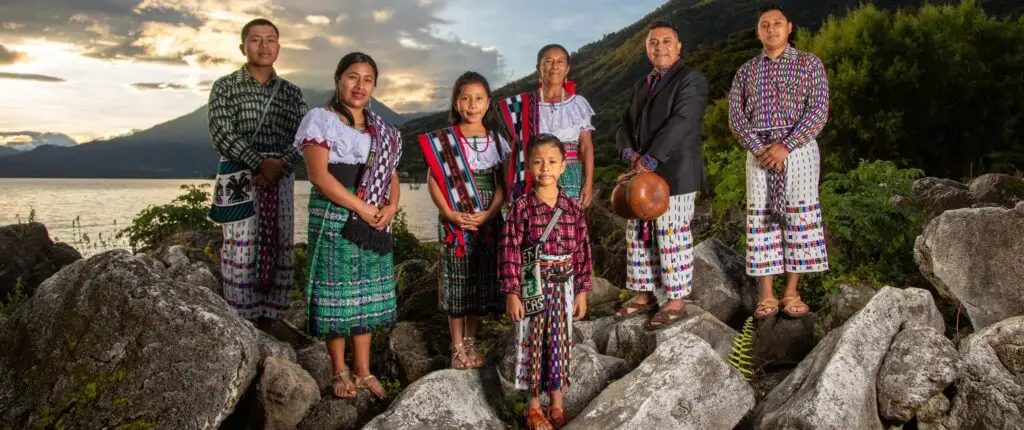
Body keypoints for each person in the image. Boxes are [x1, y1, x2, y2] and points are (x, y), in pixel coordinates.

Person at [297, 52, 403, 400]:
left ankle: (364, 371)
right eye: (352, 77)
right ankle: (339, 371)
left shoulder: (380, 129)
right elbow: (318, 176)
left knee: (365, 294)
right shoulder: (321, 119)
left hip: (373, 218)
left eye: (368, 79)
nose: (360, 86)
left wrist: (391, 206)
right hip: (334, 212)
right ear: (338, 80)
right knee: (337, 292)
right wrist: (362, 206)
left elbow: (391, 175)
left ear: (374, 85)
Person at [728, 4, 830, 319]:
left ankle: (791, 291)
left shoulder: (809, 64)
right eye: (764, 25)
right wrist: (760, 148)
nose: (771, 29)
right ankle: (767, 295)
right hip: (758, 152)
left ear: (789, 27)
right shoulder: (746, 70)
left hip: (798, 150)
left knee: (799, 217)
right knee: (762, 220)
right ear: (758, 32)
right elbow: (736, 116)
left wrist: (785, 146)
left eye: (777, 23)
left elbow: (818, 110)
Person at [208, 18, 306, 330]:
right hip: (239, 177)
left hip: (281, 178)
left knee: (280, 243)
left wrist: (280, 164)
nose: (264, 46)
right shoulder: (225, 86)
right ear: (243, 47)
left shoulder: (291, 93)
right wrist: (258, 162)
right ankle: (240, 320)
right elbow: (221, 132)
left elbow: (304, 136)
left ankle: (273, 320)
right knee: (239, 245)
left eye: (270, 40)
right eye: (256, 40)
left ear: (279, 47)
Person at [613, 20, 709, 330]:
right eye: (654, 42)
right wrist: (631, 155)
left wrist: (651, 159)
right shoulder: (643, 85)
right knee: (639, 236)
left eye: (667, 41)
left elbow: (683, 122)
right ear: (646, 48)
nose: (660, 47)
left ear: (679, 47)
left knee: (672, 236)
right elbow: (624, 125)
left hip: (676, 172)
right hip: (642, 176)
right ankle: (644, 297)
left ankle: (675, 302)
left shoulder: (691, 79)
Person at [417, 71, 511, 370]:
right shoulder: (445, 140)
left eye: (479, 98)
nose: (472, 104)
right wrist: (449, 212)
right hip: (454, 217)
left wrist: (489, 214)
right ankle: (457, 345)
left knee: (479, 280)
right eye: (465, 98)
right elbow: (432, 180)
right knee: (456, 280)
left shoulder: (497, 140)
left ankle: (472, 340)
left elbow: (502, 184)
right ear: (456, 103)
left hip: (487, 217)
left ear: (488, 102)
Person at [500, 134, 592, 430]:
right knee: (532, 340)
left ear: (564, 166)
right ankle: (533, 407)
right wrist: (512, 292)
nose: (545, 168)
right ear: (528, 167)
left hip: (564, 283)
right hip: (533, 282)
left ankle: (557, 403)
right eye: (538, 162)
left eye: (552, 162)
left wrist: (581, 291)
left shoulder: (573, 208)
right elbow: (509, 250)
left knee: (561, 339)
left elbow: (583, 251)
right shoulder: (521, 207)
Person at [498, 45, 596, 206]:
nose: (555, 66)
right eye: (548, 61)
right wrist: (508, 185)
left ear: (567, 68)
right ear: (539, 67)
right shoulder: (522, 104)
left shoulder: (578, 103)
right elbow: (512, 148)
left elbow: (586, 147)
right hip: (534, 173)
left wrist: (588, 185)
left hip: (569, 174)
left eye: (560, 61)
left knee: (565, 227)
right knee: (533, 227)